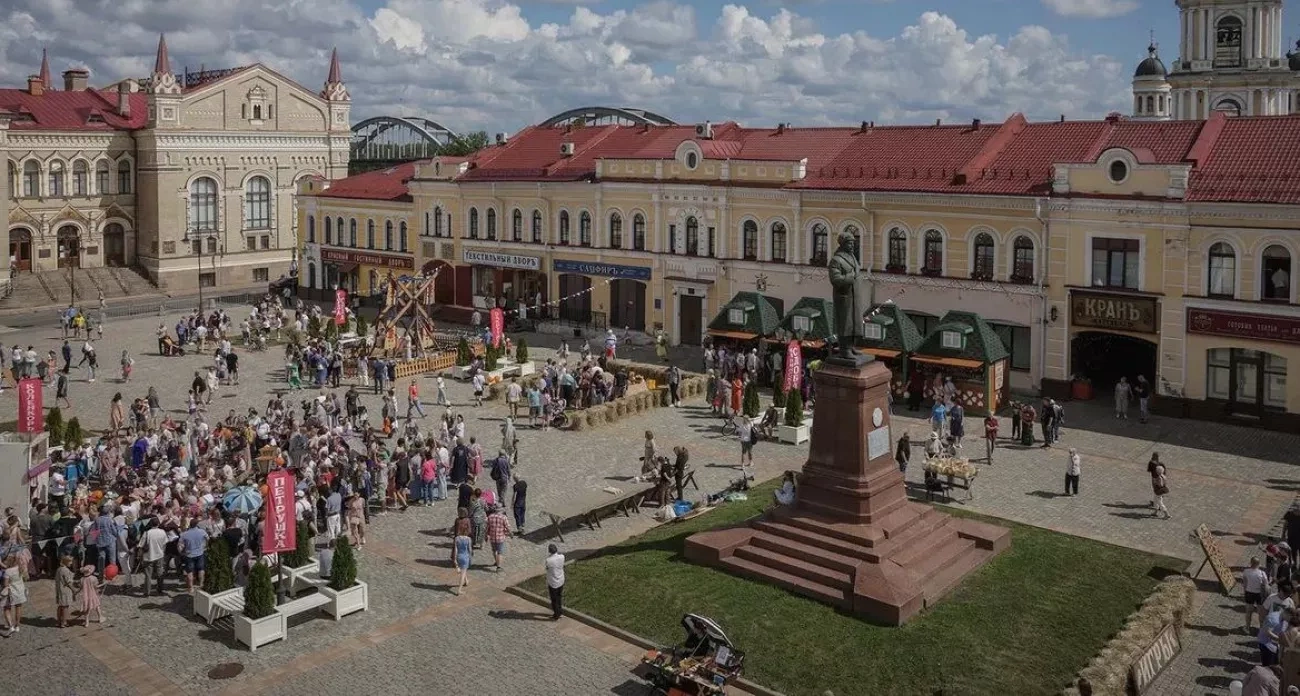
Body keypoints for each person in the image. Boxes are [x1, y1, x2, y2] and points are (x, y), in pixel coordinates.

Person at [179, 518, 207, 592]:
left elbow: (180, 546)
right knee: (201, 569)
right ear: (197, 525)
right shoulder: (202, 531)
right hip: (200, 553)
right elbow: (207, 539)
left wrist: (182, 553)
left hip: (189, 554)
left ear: (190, 525)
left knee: (189, 572)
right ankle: (201, 585)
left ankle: (191, 588)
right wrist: (204, 546)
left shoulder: (184, 534)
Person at [1245, 557, 1271, 632]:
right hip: (1259, 594)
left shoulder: (1246, 571)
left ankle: (1247, 627)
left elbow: (1245, 583)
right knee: (1260, 613)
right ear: (1259, 564)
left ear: (1251, 563)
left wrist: (1245, 592)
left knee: (1249, 611)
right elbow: (1266, 585)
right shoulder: (1262, 573)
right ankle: (1261, 628)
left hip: (1249, 593)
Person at [55, 555, 77, 628]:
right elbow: (68, 582)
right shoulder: (65, 570)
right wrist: (74, 589)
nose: (71, 563)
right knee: (65, 607)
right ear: (66, 562)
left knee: (60, 606)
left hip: (59, 590)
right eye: (70, 561)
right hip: (65, 591)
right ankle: (64, 622)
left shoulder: (59, 569)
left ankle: (58, 621)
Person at [486, 505, 509, 572]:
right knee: (500, 552)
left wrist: (486, 535)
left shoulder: (490, 517)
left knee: (494, 551)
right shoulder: (503, 517)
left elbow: (487, 528)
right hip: (500, 537)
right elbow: (507, 527)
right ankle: (498, 567)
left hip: (492, 537)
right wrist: (510, 533)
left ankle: (496, 561)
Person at [545, 543, 565, 620]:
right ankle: (560, 611)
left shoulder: (549, 560)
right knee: (559, 597)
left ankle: (556, 614)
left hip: (553, 582)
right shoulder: (562, 556)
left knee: (554, 599)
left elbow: (547, 568)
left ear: (549, 551)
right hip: (561, 579)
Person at [453, 516, 472, 595]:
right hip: (465, 556)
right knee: (463, 573)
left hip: (459, 556)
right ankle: (459, 590)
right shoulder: (468, 539)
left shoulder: (457, 538)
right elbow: (470, 549)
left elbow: (455, 549)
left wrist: (455, 559)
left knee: (464, 569)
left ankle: (466, 581)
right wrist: (470, 556)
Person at [737, 416, 755, 481]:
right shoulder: (750, 424)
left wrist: (740, 436)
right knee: (750, 452)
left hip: (743, 441)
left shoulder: (741, 425)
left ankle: (742, 465)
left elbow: (739, 432)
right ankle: (750, 462)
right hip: (749, 441)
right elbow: (753, 425)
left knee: (743, 453)